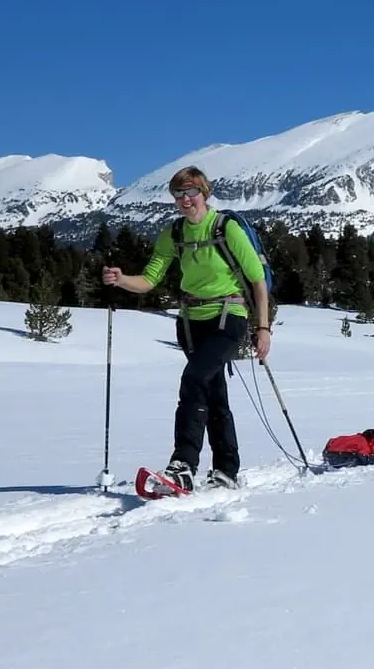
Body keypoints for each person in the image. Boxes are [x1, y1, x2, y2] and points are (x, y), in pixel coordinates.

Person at [102, 166, 271, 491]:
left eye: (191, 192)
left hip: (228, 316)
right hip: (191, 323)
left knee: (194, 379)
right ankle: (226, 470)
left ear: (204, 193)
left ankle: (183, 464)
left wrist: (263, 327)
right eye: (178, 194)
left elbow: (257, 279)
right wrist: (122, 279)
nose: (185, 200)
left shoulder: (226, 228)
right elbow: (150, 279)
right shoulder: (174, 234)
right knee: (212, 391)